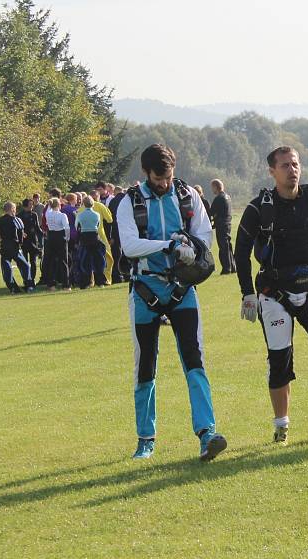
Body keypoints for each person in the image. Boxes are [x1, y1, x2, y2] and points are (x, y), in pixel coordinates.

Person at [234, 146, 308, 446]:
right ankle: (281, 427)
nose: (292, 170)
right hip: (273, 292)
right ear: (272, 171)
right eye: (285, 165)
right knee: (280, 360)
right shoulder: (257, 208)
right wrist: (247, 293)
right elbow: (240, 252)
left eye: (296, 164)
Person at [117, 143, 226, 461]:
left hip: (183, 291)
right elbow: (129, 246)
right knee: (145, 366)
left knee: (195, 362)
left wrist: (191, 246)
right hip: (145, 291)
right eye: (158, 177)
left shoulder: (187, 196)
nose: (165, 183)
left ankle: (207, 435)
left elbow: (205, 234)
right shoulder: (131, 201)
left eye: (168, 176)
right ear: (146, 173)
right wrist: (169, 245)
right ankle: (145, 439)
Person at [0, 201, 35, 293]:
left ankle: (13, 288)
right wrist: (20, 242)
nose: (15, 211)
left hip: (4, 245)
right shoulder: (16, 219)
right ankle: (29, 285)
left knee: (6, 266)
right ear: (12, 209)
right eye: (15, 209)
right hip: (14, 245)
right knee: (25, 265)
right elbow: (20, 231)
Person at [76, 196, 107, 288]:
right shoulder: (97, 214)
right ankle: (100, 282)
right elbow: (98, 225)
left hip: (84, 237)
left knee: (85, 261)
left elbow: (76, 226)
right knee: (98, 260)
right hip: (94, 236)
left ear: (83, 204)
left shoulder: (80, 214)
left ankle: (86, 282)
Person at [210, 179, 237, 274]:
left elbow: (211, 212)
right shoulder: (227, 197)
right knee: (228, 246)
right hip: (228, 224)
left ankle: (226, 268)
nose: (212, 190)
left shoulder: (218, 198)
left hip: (221, 225)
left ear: (215, 187)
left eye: (212, 187)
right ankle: (233, 267)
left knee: (223, 247)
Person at [44, 197, 71, 291]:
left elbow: (48, 207)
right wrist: (67, 238)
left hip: (51, 237)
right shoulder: (62, 215)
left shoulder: (48, 214)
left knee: (51, 261)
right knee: (63, 261)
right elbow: (67, 228)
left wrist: (50, 203)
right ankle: (66, 285)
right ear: (59, 205)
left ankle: (51, 284)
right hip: (60, 236)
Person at [17, 199, 41, 283]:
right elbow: (18, 229)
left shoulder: (34, 214)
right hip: (24, 241)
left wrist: (43, 234)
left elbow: (37, 228)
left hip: (33, 240)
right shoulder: (19, 215)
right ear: (25, 205)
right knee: (25, 261)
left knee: (33, 260)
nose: (32, 206)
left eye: (32, 204)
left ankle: (32, 278)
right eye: (30, 204)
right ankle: (26, 279)